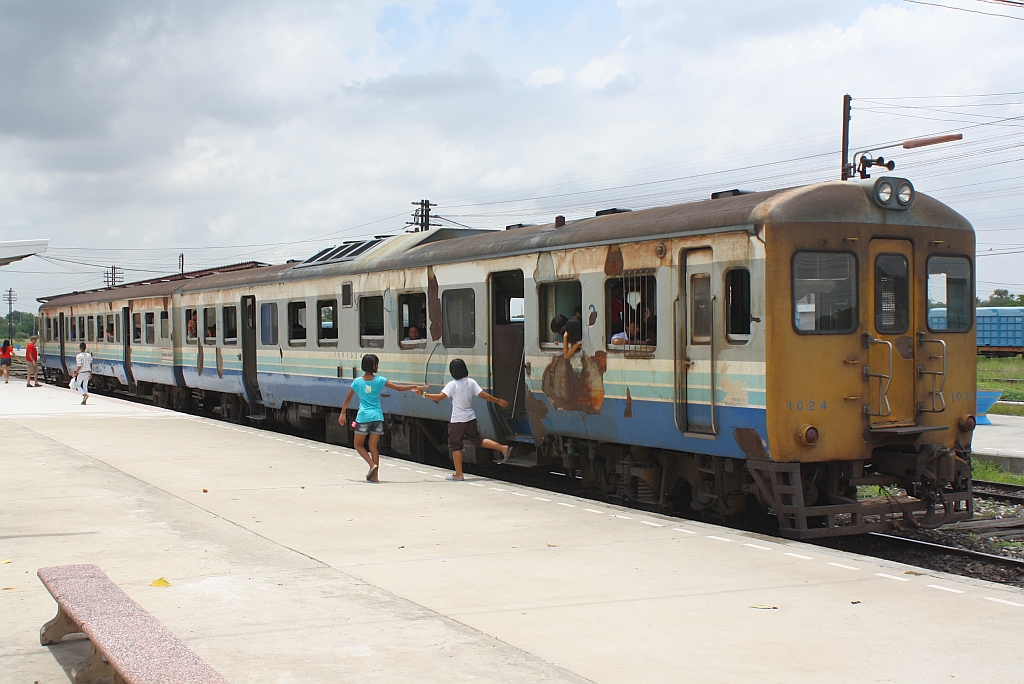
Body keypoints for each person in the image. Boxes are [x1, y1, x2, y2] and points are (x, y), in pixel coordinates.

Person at [415, 358, 511, 480]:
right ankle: (503, 448)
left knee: (455, 445)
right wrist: (498, 401)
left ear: (452, 371)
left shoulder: (452, 384)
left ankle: (459, 474)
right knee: (478, 440)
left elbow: (439, 397)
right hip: (470, 418)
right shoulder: (471, 382)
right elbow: (483, 395)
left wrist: (423, 394)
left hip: (458, 420)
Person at [339, 354, 424, 482]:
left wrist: (342, 414)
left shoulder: (357, 382)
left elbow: (347, 399)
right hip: (378, 417)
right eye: (376, 364)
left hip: (363, 417)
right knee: (373, 447)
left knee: (358, 445)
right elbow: (398, 388)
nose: (377, 366)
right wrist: (415, 386)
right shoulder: (380, 380)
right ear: (373, 366)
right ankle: (375, 477)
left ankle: (372, 465)